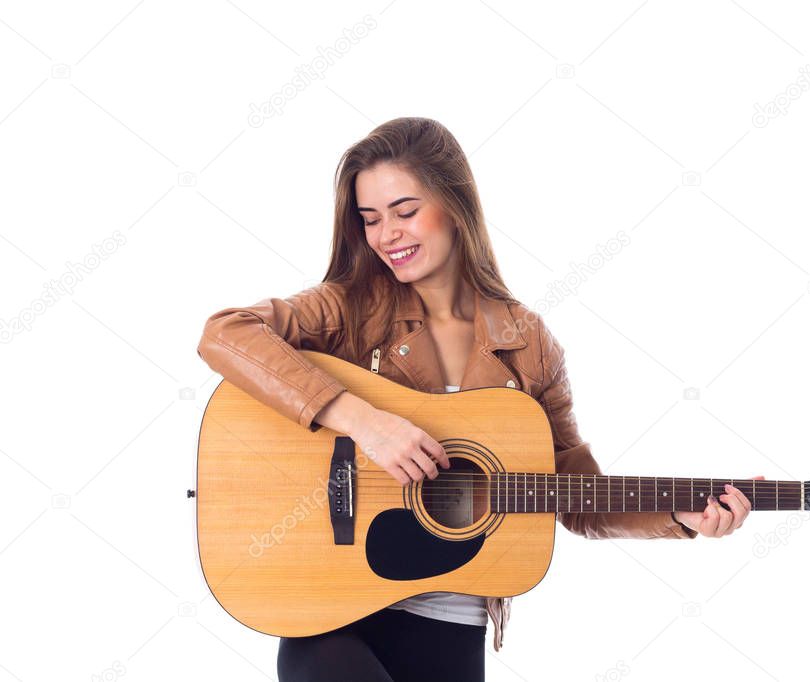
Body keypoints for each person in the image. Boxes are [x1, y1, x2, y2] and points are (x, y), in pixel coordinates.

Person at [196, 117, 761, 682]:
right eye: (370, 219)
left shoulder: (528, 344)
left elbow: (575, 493)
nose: (386, 234)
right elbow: (226, 334)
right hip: (330, 605)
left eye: (405, 210)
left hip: (453, 624)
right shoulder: (348, 308)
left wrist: (676, 514)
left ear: (455, 203)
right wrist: (364, 422)